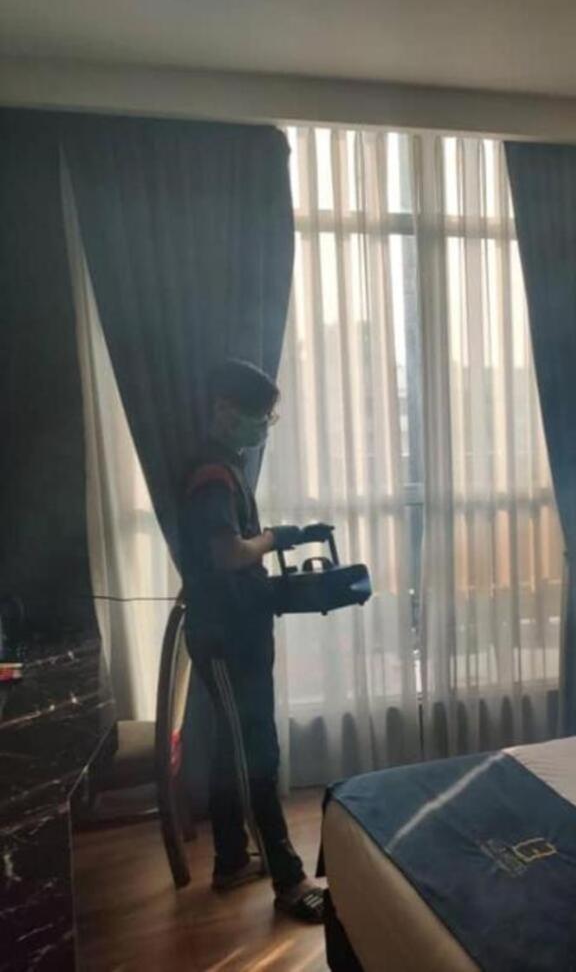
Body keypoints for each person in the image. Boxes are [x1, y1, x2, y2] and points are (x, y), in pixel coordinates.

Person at [178, 358, 327, 923]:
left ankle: (232, 861)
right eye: (258, 417)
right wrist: (276, 538)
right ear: (224, 410)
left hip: (235, 631)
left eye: (268, 419)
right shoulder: (213, 476)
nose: (263, 427)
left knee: (234, 749)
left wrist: (283, 537)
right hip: (225, 638)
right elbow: (227, 553)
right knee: (255, 752)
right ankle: (288, 879)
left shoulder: (225, 467)